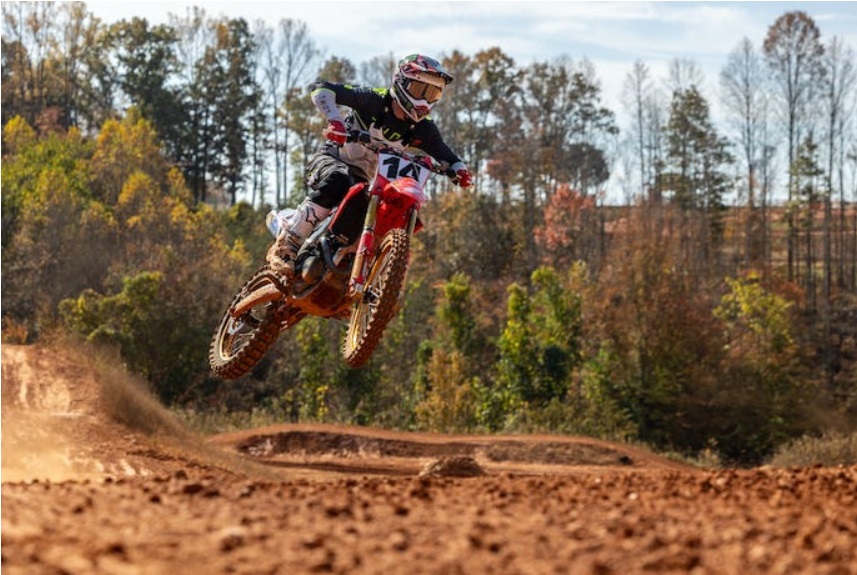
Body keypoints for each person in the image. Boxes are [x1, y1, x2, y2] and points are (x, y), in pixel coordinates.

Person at [267, 53, 473, 276]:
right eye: (419, 90)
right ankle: (288, 244)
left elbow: (446, 154)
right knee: (339, 179)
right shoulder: (373, 99)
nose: (424, 100)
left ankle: (359, 266)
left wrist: (459, 170)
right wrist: (335, 120)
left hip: (364, 179)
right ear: (401, 82)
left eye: (432, 93)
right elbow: (321, 88)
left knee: (383, 207)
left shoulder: (424, 128)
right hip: (331, 160)